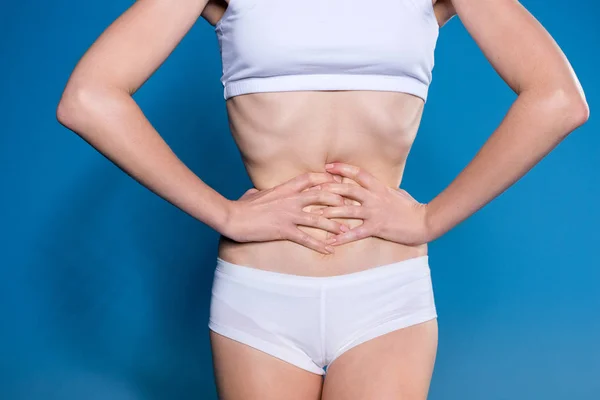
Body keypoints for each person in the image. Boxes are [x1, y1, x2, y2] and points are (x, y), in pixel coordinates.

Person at [56, 0, 589, 398]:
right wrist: (225, 214)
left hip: (386, 296)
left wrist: (430, 219)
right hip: (262, 296)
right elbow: (89, 98)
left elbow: (558, 99)